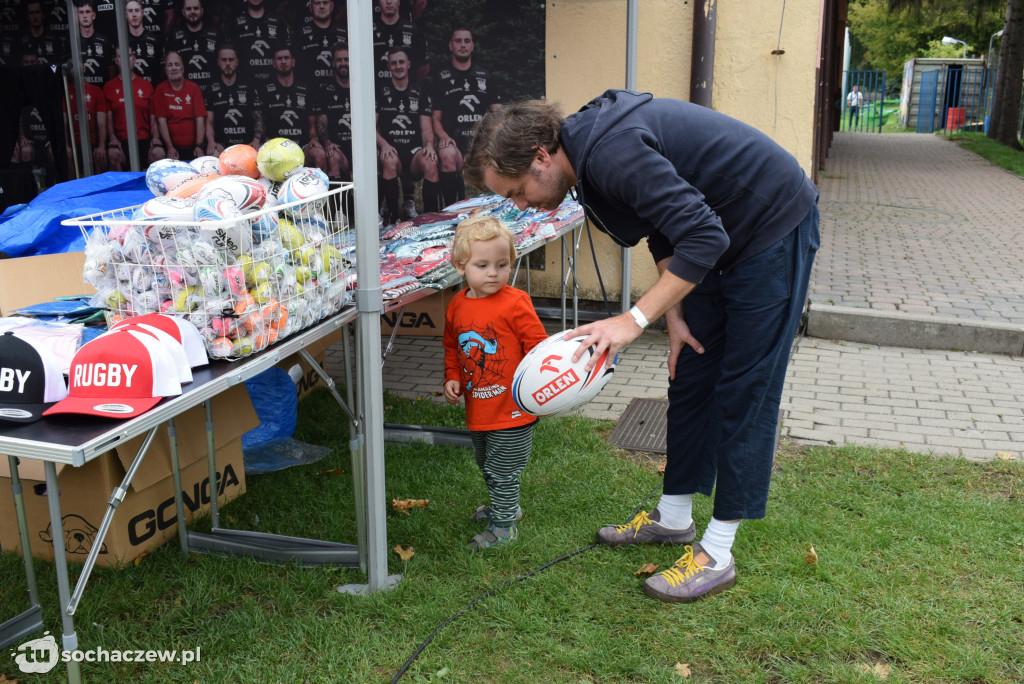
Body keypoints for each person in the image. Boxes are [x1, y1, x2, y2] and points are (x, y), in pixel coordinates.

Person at [463, 90, 819, 602]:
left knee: (746, 390)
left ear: (542, 156)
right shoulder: (582, 161)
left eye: (518, 190)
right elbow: (663, 225)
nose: (521, 205)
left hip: (770, 226)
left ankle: (718, 553)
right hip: (719, 235)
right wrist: (672, 312)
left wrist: (634, 319)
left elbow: (701, 234)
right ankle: (673, 518)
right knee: (691, 373)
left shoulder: (609, 151)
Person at [442, 215, 549, 551]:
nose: (493, 273)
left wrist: (540, 391)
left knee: (503, 470)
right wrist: (452, 377)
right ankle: (506, 506)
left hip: (512, 409)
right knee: (486, 464)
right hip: (479, 408)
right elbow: (452, 346)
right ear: (461, 266)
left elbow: (538, 348)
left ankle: (503, 527)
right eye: (483, 264)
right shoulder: (457, 305)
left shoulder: (515, 302)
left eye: (502, 265)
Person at [427, 26, 501, 207]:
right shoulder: (441, 77)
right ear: (450, 45)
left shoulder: (485, 75)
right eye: (458, 41)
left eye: (467, 41)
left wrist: (493, 138)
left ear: (473, 46)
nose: (462, 45)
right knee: (446, 152)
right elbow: (435, 118)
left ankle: (497, 207)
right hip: (455, 143)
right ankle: (452, 208)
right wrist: (443, 137)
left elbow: (499, 113)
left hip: (479, 145)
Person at [375, 46, 439, 221]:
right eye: (393, 63)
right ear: (388, 67)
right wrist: (384, 144)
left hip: (412, 151)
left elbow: (426, 129)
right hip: (391, 149)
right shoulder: (381, 91)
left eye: (401, 62)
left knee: (431, 161)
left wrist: (429, 145)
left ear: (408, 64)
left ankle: (430, 218)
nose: (398, 66)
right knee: (388, 160)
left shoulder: (420, 91)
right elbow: (370, 128)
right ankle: (393, 217)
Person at [204, 42, 263, 156]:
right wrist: (211, 142)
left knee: (259, 154)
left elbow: (259, 119)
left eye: (231, 60)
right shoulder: (212, 88)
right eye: (224, 60)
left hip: (247, 145)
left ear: (236, 62)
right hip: (221, 146)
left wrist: (256, 140)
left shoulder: (248, 86)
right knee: (213, 153)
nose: (227, 63)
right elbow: (209, 122)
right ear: (218, 62)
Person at [104, 51, 158, 169]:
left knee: (158, 154)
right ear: (116, 61)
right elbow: (108, 118)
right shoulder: (109, 87)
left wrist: (155, 137)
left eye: (128, 56)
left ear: (134, 59)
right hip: (121, 141)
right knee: (113, 155)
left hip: (144, 139)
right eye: (120, 56)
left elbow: (153, 117)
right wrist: (112, 137)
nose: (124, 59)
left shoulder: (146, 86)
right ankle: (122, 188)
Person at [152, 50, 207, 160]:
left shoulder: (193, 88)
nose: (173, 68)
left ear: (182, 68)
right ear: (165, 69)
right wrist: (170, 147)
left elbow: (200, 119)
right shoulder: (160, 89)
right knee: (157, 153)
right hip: (172, 146)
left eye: (177, 64)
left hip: (194, 146)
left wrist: (199, 145)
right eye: (170, 65)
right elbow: (161, 121)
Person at [309, 41, 350, 179]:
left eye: (347, 59)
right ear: (333, 63)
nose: (343, 63)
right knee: (332, 157)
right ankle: (338, 201)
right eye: (339, 60)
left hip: (360, 146)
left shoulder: (363, 88)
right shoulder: (326, 91)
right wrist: (327, 143)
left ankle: (379, 201)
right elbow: (321, 124)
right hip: (337, 146)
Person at [229, 0, 292, 84]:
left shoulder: (277, 22)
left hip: (273, 83)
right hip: (245, 83)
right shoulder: (237, 24)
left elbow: (287, 51)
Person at [262, 44, 313, 145]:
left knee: (318, 154)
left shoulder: (305, 88)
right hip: (276, 146)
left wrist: (313, 138)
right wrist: (265, 138)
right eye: (279, 58)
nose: (283, 61)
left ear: (293, 62)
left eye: (286, 58)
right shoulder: (266, 90)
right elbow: (261, 120)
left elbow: (312, 123)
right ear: (274, 63)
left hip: (302, 145)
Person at [165, 0, 219, 94]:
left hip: (211, 93)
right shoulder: (174, 37)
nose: (192, 12)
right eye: (189, 9)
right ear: (183, 12)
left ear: (202, 11)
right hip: (184, 94)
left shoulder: (215, 34)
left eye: (196, 8)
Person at [295, 0, 346, 87]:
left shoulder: (344, 33)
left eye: (325, 2)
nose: (321, 6)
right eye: (317, 3)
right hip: (310, 92)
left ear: (332, 6)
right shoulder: (300, 35)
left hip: (338, 92)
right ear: (311, 7)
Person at [74, 0, 113, 86]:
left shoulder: (104, 41)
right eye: (81, 12)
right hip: (82, 90)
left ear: (93, 15)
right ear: (77, 16)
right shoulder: (73, 43)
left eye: (87, 12)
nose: (84, 16)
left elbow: (111, 70)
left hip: (101, 90)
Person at [125, 0, 163, 85]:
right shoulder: (123, 42)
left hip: (151, 90)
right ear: (126, 14)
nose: (134, 15)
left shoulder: (154, 40)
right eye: (130, 11)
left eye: (137, 10)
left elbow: (160, 69)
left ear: (142, 13)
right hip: (130, 90)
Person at [19, 0, 66, 65]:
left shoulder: (54, 40)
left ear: (43, 15)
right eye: (31, 13)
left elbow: (58, 66)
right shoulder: (22, 41)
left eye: (37, 12)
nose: (35, 16)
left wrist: (50, 70)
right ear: (27, 17)